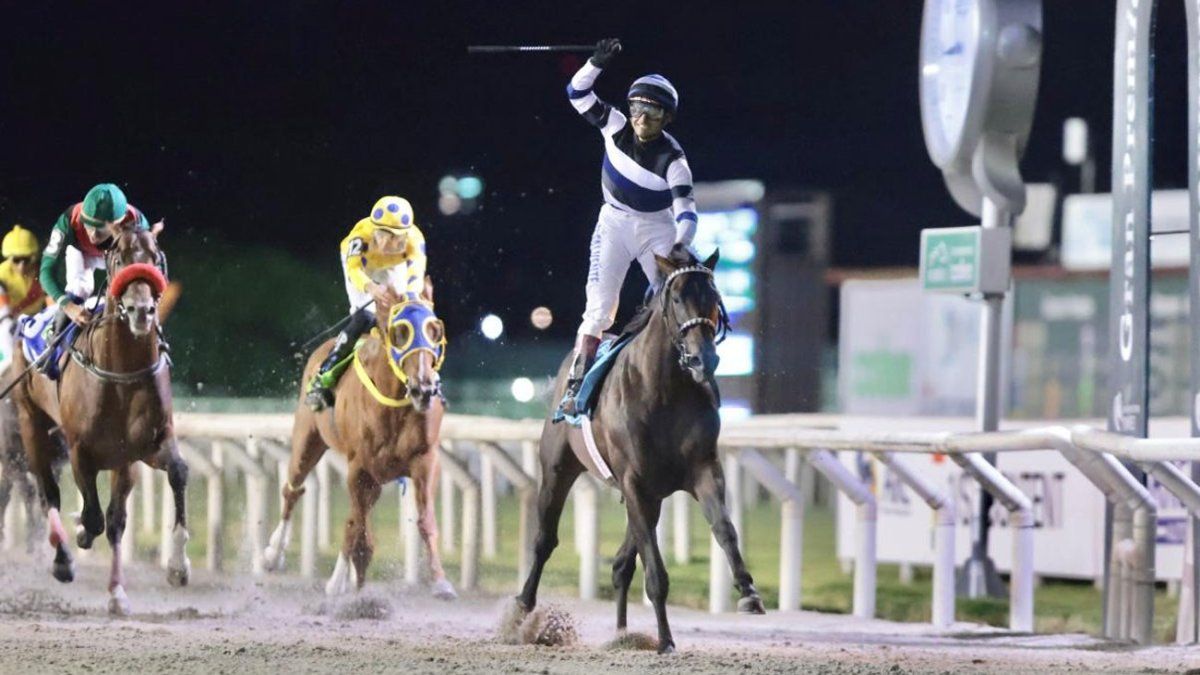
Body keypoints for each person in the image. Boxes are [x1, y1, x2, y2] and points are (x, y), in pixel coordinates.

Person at [559, 38, 699, 416]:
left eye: (652, 112)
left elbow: (687, 213)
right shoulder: (615, 124)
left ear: (667, 118)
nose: (640, 117)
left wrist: (681, 246)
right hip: (614, 223)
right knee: (600, 309)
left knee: (675, 297)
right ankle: (577, 383)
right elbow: (576, 92)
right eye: (637, 107)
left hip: (658, 228)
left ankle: (687, 370)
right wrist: (595, 62)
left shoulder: (674, 160)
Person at [305, 195, 428, 411]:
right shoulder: (360, 236)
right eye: (386, 238)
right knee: (366, 316)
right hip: (362, 266)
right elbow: (354, 270)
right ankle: (323, 376)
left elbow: (415, 275)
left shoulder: (415, 240)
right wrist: (371, 287)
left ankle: (427, 379)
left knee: (407, 315)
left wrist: (411, 296)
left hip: (394, 268)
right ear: (375, 232)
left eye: (398, 240)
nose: (391, 244)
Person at [0, 225, 47, 374]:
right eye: (17, 260)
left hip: (34, 323)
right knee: (7, 330)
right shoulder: (1, 276)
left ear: (34, 256)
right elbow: (4, 314)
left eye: (26, 260)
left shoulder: (42, 273)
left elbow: (52, 306)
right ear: (8, 258)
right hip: (6, 326)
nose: (22, 266)